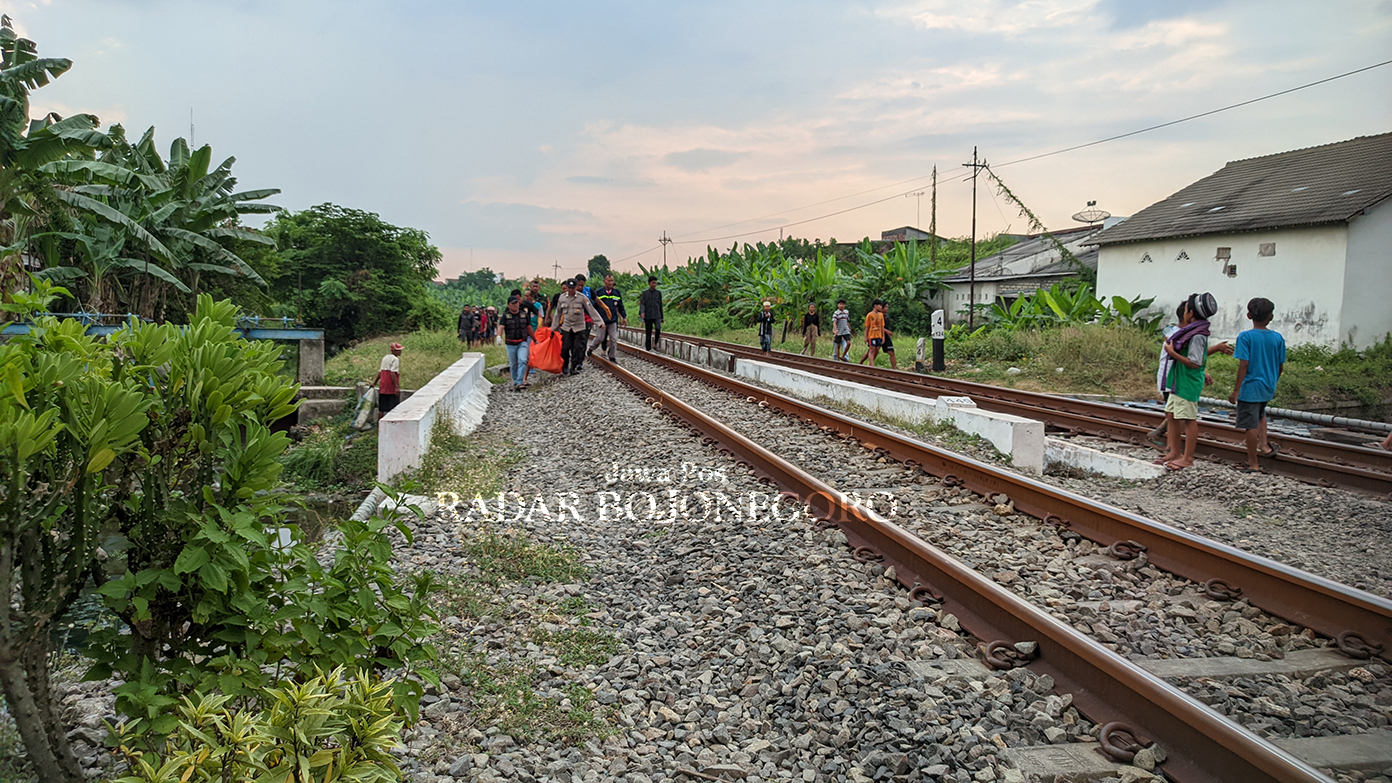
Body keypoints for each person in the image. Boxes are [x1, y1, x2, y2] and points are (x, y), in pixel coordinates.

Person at [1156, 292, 1219, 471]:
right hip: (1178, 381)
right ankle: (1175, 452)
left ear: (1190, 313)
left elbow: (1195, 362)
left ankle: (1188, 457)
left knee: (1189, 419)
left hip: (1188, 382)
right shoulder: (1191, 331)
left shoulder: (1198, 336)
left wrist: (1173, 353)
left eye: (1185, 310)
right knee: (1173, 415)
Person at [1229, 297, 1286, 471]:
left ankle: (1253, 462)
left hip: (1250, 387)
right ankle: (1264, 445)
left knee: (1250, 424)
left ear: (1248, 315)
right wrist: (1273, 382)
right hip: (1268, 385)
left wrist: (1236, 390)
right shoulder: (1277, 338)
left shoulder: (1245, 337)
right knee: (1261, 415)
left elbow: (1244, 364)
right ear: (1270, 316)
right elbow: (1280, 365)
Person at [1147, 303, 1189, 448]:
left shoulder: (1175, 332)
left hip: (1176, 377)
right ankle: (1169, 445)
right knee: (1175, 414)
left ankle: (1163, 438)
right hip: (1171, 378)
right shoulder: (1176, 334)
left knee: (1175, 412)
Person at [553, 277, 603, 375]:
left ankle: (573, 367)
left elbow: (591, 310)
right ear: (567, 288)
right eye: (569, 288)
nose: (571, 290)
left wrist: (599, 322)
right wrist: (553, 328)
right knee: (565, 348)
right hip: (567, 327)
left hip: (579, 327)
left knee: (577, 348)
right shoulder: (562, 298)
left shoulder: (582, 297)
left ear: (576, 287)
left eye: (573, 288)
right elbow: (557, 314)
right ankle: (565, 366)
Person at [588, 273, 626, 361]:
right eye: (608, 281)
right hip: (601, 320)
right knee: (600, 337)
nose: (610, 283)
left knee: (613, 339)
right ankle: (591, 348)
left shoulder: (617, 293)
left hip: (613, 320)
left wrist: (624, 317)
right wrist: (593, 318)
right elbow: (594, 306)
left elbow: (621, 306)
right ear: (604, 281)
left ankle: (612, 356)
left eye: (612, 281)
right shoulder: (598, 292)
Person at [500, 296, 534, 391]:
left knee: (523, 360)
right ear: (508, 305)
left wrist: (535, 339)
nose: (515, 305)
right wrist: (499, 336)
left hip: (522, 342)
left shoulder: (524, 315)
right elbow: (501, 327)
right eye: (513, 303)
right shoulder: (505, 316)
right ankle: (516, 382)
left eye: (517, 303)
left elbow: (529, 328)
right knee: (513, 364)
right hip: (510, 344)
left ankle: (519, 381)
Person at [375, 342, 402, 422]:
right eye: (399, 350)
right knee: (394, 406)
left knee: (382, 408)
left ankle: (380, 424)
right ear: (394, 351)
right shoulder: (395, 359)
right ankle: (393, 422)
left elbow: (380, 372)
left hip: (383, 386)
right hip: (390, 386)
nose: (400, 352)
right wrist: (396, 387)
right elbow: (392, 373)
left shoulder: (385, 358)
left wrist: (374, 382)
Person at [639, 276, 664, 351]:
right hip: (648, 315)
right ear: (649, 283)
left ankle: (655, 344)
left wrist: (662, 316)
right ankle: (648, 347)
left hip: (657, 315)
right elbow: (642, 304)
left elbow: (660, 305)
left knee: (658, 329)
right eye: (653, 283)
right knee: (648, 332)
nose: (654, 284)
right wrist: (642, 312)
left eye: (655, 283)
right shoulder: (645, 294)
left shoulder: (658, 293)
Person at [859, 300, 885, 366]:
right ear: (875, 306)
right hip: (871, 335)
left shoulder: (881, 315)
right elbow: (867, 327)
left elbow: (882, 327)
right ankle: (872, 365)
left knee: (877, 349)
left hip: (879, 335)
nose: (880, 307)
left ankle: (869, 363)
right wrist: (866, 337)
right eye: (879, 305)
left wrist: (883, 337)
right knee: (872, 349)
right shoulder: (869, 315)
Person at [879, 302, 898, 370]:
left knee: (891, 352)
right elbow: (877, 326)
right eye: (886, 307)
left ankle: (894, 369)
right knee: (873, 352)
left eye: (888, 307)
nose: (887, 308)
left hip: (886, 337)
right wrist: (886, 331)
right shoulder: (878, 316)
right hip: (878, 335)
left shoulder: (886, 317)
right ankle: (863, 364)